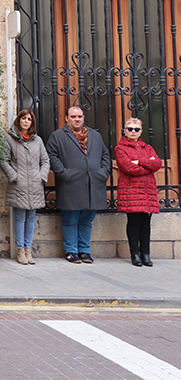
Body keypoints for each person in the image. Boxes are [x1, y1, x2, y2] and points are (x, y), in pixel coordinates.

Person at [46, 105, 111, 264]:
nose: (77, 119)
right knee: (71, 218)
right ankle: (71, 251)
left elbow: (105, 155)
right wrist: (64, 173)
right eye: (73, 117)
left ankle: (85, 251)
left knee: (87, 219)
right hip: (71, 184)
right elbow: (52, 156)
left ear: (83, 118)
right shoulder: (58, 136)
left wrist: (103, 172)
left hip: (93, 184)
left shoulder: (95, 135)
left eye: (79, 116)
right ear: (66, 118)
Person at [0, 109, 49, 265]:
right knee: (20, 218)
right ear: (18, 120)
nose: (26, 121)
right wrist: (14, 177)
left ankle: (29, 250)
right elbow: (3, 160)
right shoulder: (10, 139)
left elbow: (45, 161)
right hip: (19, 185)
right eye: (23, 118)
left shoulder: (38, 141)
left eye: (29, 119)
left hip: (35, 184)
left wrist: (41, 176)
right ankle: (20, 250)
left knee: (31, 218)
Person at [115, 117, 162, 267]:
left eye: (136, 129)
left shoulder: (147, 147)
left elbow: (157, 163)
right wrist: (147, 166)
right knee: (134, 222)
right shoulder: (120, 148)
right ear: (125, 131)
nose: (133, 132)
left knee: (146, 222)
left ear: (141, 131)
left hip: (147, 191)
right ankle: (135, 254)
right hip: (131, 191)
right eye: (130, 129)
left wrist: (140, 161)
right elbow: (128, 168)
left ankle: (146, 254)